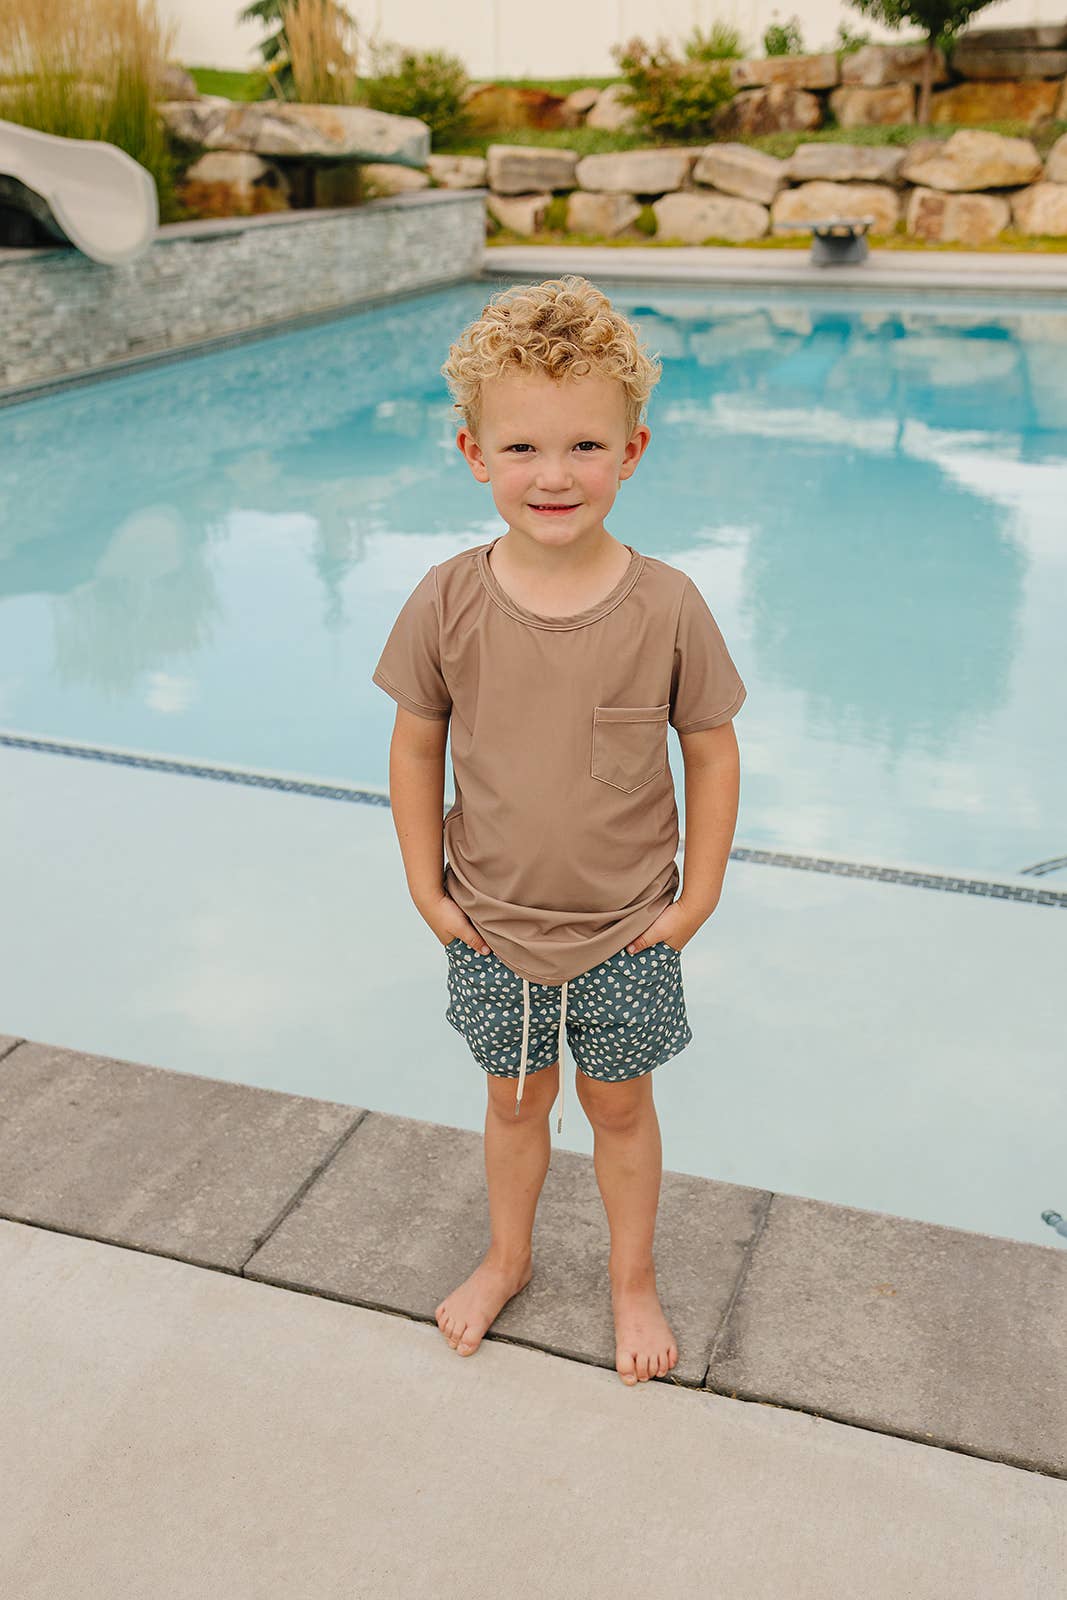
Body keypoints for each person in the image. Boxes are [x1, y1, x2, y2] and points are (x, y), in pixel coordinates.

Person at [371, 274, 746, 1386]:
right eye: (523, 447)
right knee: (511, 1097)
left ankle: (631, 1279)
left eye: (584, 445)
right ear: (471, 452)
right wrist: (424, 887)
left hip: (629, 926)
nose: (553, 475)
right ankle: (508, 1255)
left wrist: (698, 897)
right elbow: (413, 742)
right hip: (487, 922)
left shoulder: (667, 604)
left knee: (620, 1107)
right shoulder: (445, 598)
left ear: (632, 451)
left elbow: (711, 747)